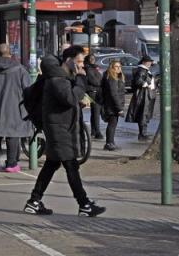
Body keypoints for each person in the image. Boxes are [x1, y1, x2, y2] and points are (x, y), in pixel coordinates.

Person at [24, 53, 105, 217]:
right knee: (71, 166)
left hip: (59, 128)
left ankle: (33, 201)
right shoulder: (56, 80)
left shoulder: (57, 80)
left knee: (52, 165)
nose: (80, 65)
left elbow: (66, 102)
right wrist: (81, 80)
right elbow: (69, 98)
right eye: (78, 62)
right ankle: (84, 204)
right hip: (59, 130)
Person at [0, 44, 32, 172]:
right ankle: (11, 164)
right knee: (12, 134)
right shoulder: (20, 69)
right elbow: (27, 88)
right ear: (10, 53)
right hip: (13, 105)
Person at [125, 55, 157, 141]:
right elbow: (138, 81)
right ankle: (143, 134)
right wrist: (146, 84)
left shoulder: (144, 70)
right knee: (143, 114)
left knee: (144, 114)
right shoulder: (141, 70)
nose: (150, 63)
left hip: (145, 94)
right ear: (144, 62)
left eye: (150, 62)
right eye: (148, 61)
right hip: (143, 95)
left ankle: (143, 133)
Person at [100, 59, 126, 151]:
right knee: (112, 124)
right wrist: (119, 108)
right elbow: (114, 94)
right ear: (112, 68)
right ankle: (109, 143)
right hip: (112, 105)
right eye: (116, 67)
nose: (119, 68)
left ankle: (111, 142)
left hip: (113, 104)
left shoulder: (116, 77)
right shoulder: (111, 78)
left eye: (120, 66)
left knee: (113, 124)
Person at [83, 53, 104, 140]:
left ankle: (94, 131)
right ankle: (97, 132)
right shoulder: (88, 68)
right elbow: (94, 80)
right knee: (96, 112)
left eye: (93, 58)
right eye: (91, 58)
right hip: (93, 92)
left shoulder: (95, 67)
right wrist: (101, 83)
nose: (93, 60)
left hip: (96, 91)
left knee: (95, 113)